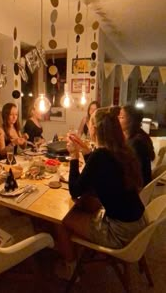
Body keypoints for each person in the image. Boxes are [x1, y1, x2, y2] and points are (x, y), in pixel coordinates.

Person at [55, 107, 146, 278]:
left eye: (90, 124)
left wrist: (74, 155)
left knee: (60, 219)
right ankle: (78, 249)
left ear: (95, 129)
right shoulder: (121, 150)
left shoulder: (101, 156)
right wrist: (87, 152)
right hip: (138, 222)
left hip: (120, 233)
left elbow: (75, 190)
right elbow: (102, 172)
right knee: (88, 203)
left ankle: (70, 268)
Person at [118, 105, 155, 186]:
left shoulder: (136, 143)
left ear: (131, 121)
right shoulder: (135, 136)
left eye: (121, 117)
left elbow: (133, 173)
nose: (118, 120)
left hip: (137, 188)